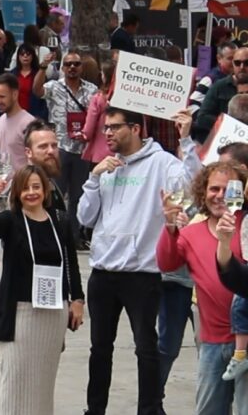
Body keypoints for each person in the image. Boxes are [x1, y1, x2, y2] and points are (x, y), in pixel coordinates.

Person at [77, 107, 183, 415]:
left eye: (114, 127)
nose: (107, 133)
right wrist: (94, 177)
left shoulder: (162, 163)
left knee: (146, 348)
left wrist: (187, 140)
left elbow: (188, 186)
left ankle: (149, 410)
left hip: (142, 273)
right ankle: (95, 409)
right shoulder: (105, 166)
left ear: (136, 129)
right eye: (105, 127)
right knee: (99, 349)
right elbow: (85, 217)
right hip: (102, 271)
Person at [0, 164, 84, 414]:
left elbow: (70, 261)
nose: (31, 193)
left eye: (36, 187)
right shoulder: (11, 220)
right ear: (17, 192)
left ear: (45, 190)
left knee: (42, 383)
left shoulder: (59, 219)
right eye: (25, 188)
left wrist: (77, 299)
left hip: (52, 311)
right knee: (15, 379)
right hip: (20, 312)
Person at [159, 161, 248, 414]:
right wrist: (169, 227)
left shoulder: (247, 225)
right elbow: (167, 263)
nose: (220, 196)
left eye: (228, 189)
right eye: (214, 189)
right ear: (203, 191)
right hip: (212, 342)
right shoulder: (191, 233)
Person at [34, 50, 95, 245]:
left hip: (82, 149)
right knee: (56, 194)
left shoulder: (91, 90)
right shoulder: (54, 86)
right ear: (63, 68)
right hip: (59, 147)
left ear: (81, 67)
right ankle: (54, 234)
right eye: (68, 64)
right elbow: (36, 91)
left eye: (76, 64)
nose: (72, 68)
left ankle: (74, 237)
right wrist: (43, 67)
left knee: (78, 195)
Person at [195, 47, 248, 142]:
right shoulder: (219, 86)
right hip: (223, 143)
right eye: (237, 63)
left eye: (247, 63)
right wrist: (231, 126)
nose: (242, 67)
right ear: (233, 64)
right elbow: (202, 118)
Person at [0, 73, 36, 173]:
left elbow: (34, 161)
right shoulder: (1, 120)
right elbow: (3, 154)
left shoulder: (29, 123)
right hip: (2, 185)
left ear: (15, 94)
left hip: (21, 185)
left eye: (2, 97)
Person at [190, 42, 237, 117]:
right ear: (219, 58)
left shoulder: (240, 79)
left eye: (236, 59)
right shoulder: (210, 79)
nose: (234, 62)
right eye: (230, 58)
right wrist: (210, 123)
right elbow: (192, 106)